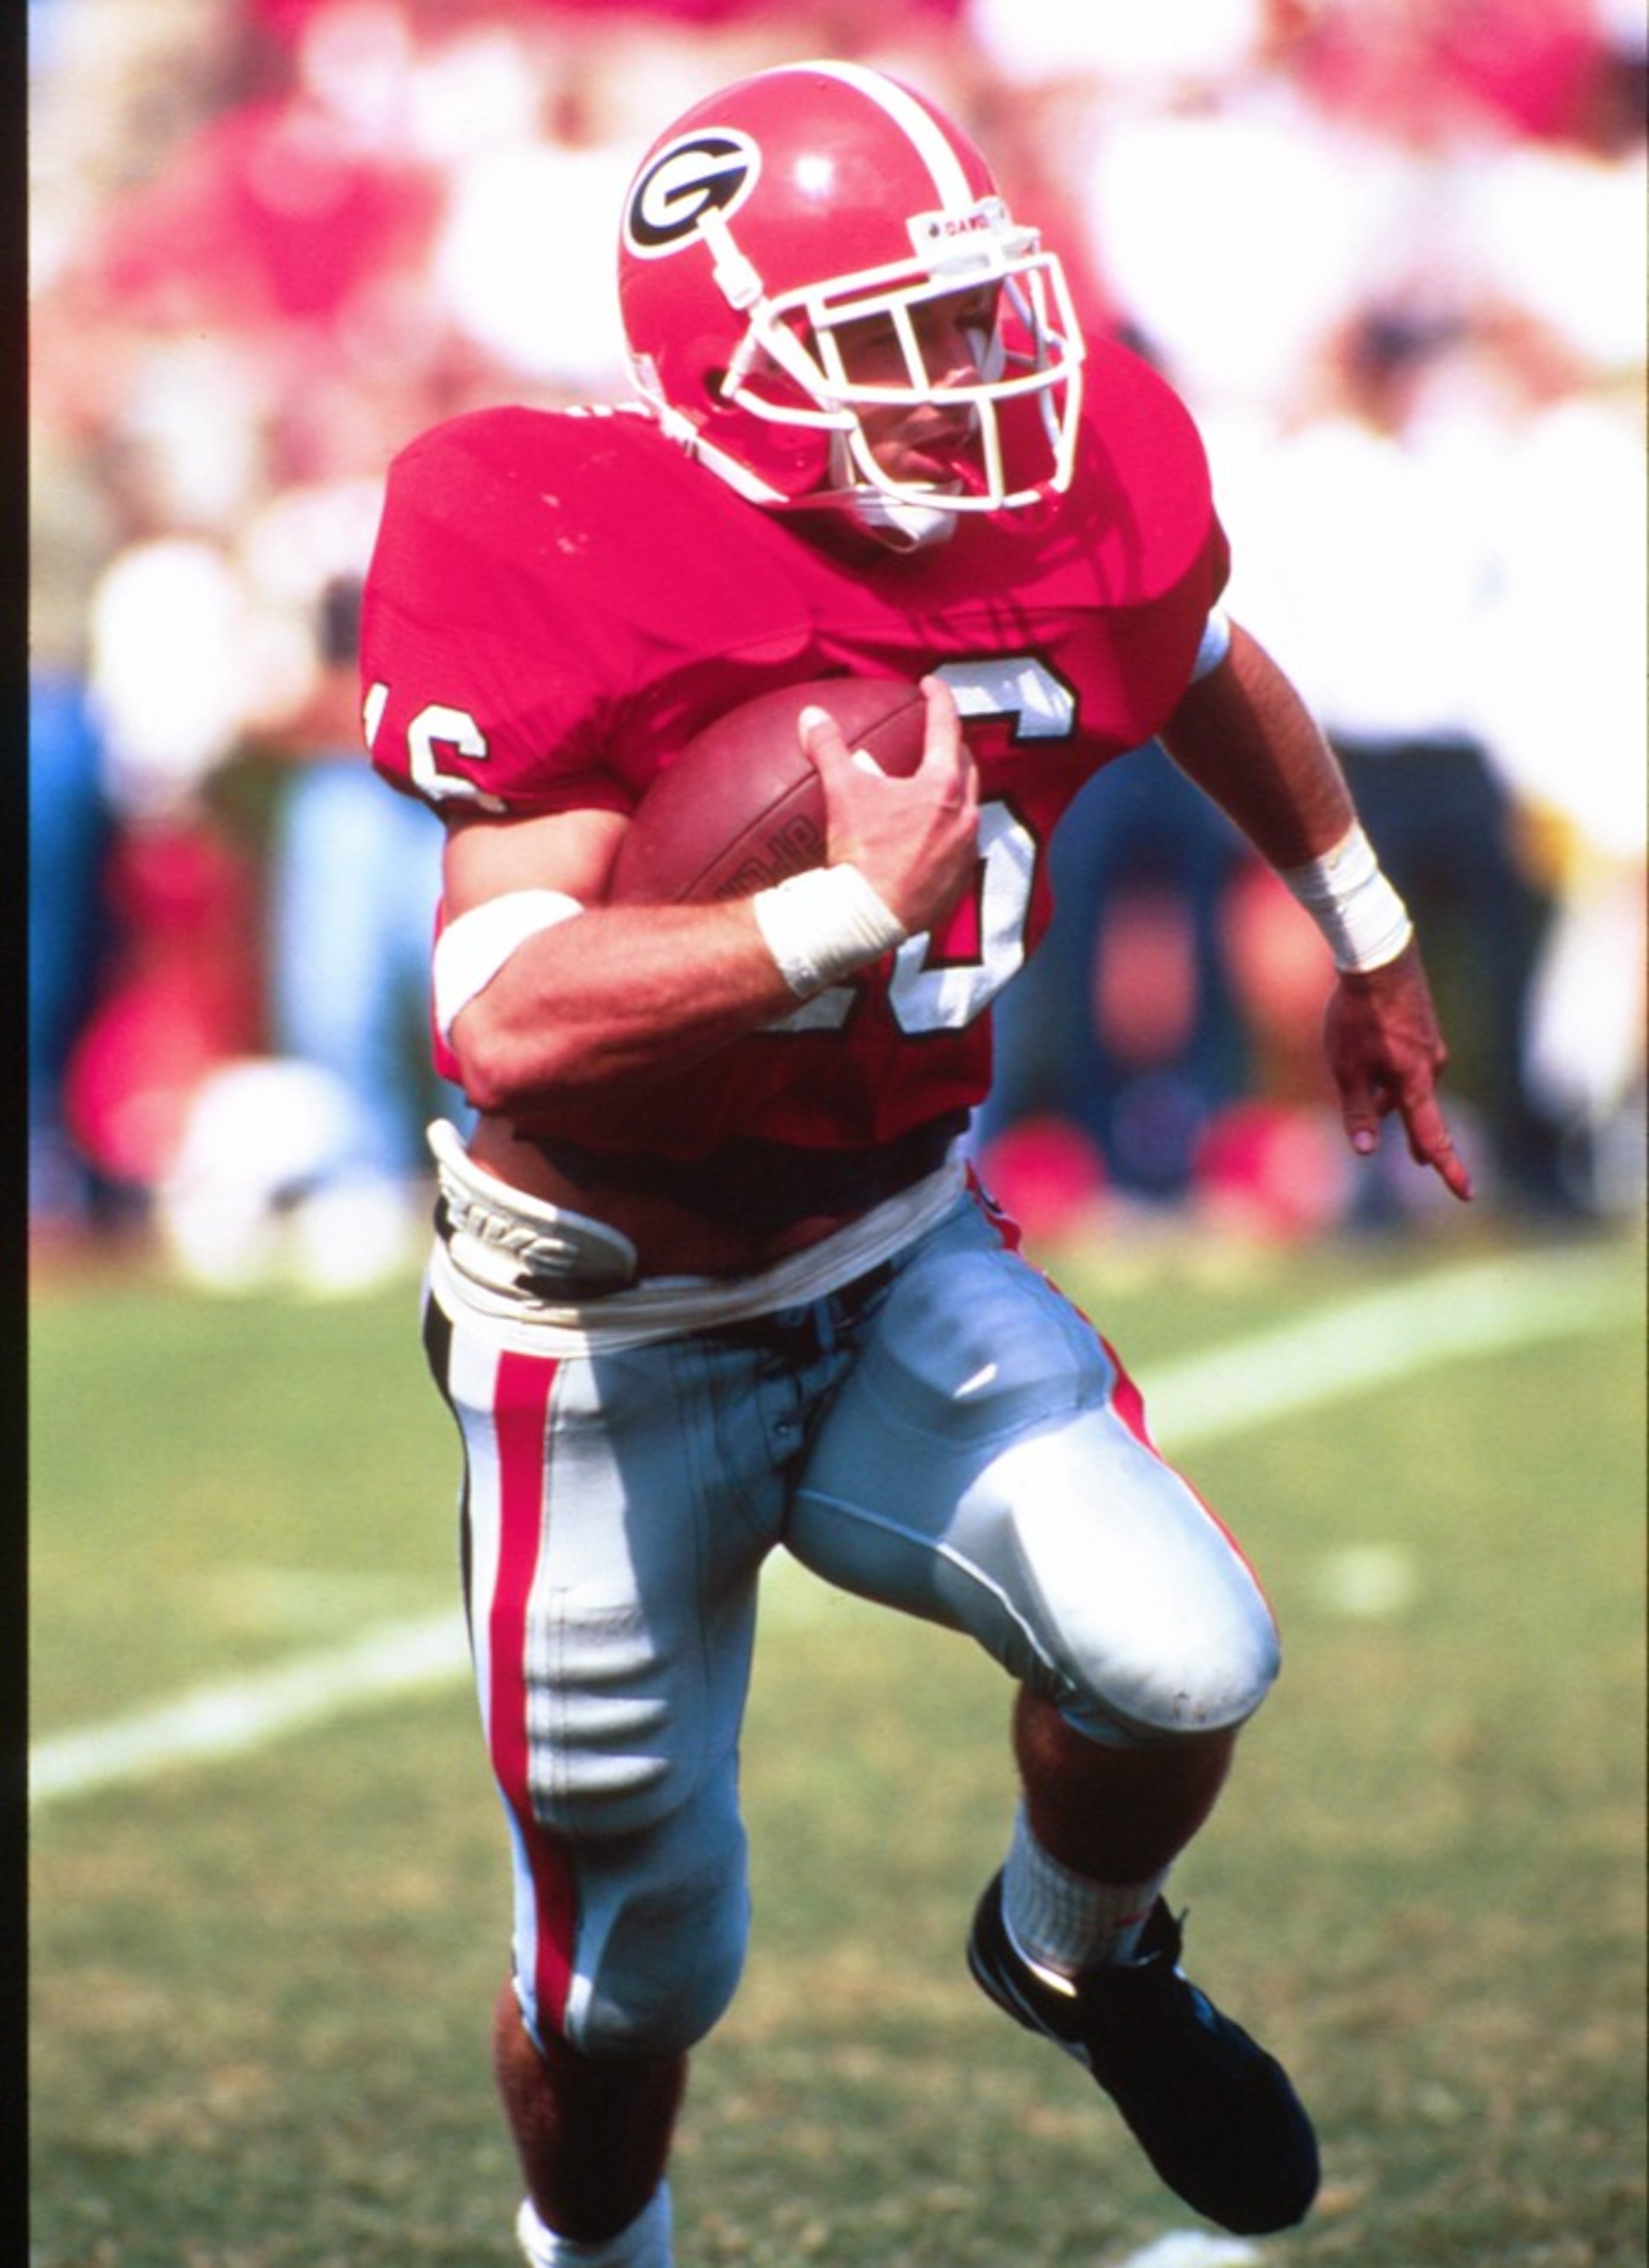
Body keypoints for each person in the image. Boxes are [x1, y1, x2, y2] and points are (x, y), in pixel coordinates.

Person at [360, 60, 1471, 2268]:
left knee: (1177, 1653)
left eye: (974, 317)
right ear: (732, 375)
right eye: (898, 338)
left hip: (887, 1246)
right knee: (626, 1981)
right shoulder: (564, 532)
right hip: (605, 1321)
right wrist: (827, 919)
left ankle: (1077, 1953)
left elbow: (1205, 655)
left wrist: (1367, 928)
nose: (973, 381)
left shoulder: (1063, 494)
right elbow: (501, 1012)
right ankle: (595, 2252)